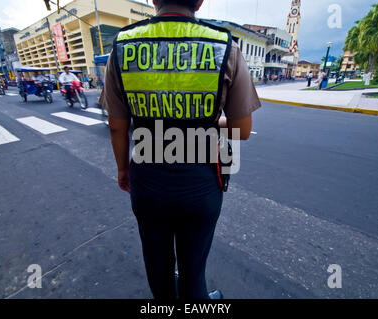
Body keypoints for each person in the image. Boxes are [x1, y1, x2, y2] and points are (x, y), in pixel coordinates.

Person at [100, 0, 261, 300]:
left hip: (147, 182)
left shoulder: (121, 47)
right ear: (199, 1)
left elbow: (117, 127)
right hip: (201, 184)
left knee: (158, 267)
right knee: (192, 269)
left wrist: (123, 169)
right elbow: (243, 129)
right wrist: (211, 122)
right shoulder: (225, 46)